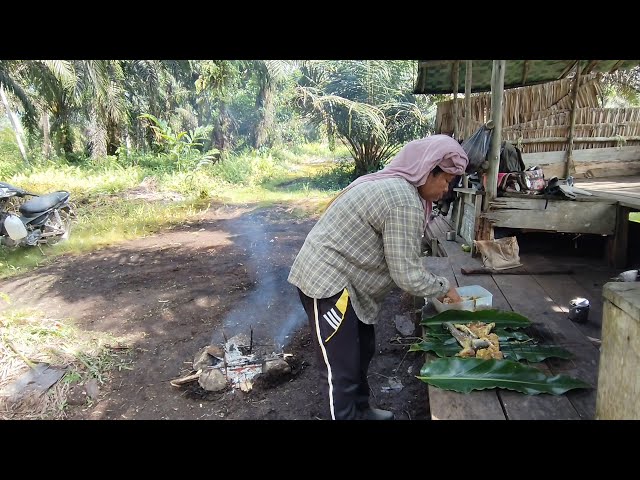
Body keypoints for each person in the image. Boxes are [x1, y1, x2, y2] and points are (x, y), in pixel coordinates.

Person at [288, 134, 468, 421]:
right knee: (340, 368)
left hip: (348, 282)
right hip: (327, 282)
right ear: (426, 170)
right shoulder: (403, 201)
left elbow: (404, 256)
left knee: (362, 351)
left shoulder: (402, 191)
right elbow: (406, 275)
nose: (446, 189)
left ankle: (361, 412)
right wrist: (444, 288)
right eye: (445, 180)